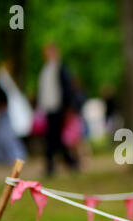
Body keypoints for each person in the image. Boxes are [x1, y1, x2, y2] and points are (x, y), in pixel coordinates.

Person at [37, 43, 79, 177]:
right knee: (55, 138)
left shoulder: (60, 68)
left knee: (52, 138)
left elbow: (67, 89)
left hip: (58, 108)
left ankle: (52, 166)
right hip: (49, 108)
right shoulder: (46, 69)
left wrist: (68, 108)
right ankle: (70, 162)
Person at [0, 76, 27, 164]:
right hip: (1, 117)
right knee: (0, 138)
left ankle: (14, 156)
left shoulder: (0, 91)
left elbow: (4, 104)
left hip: (4, 116)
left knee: (6, 138)